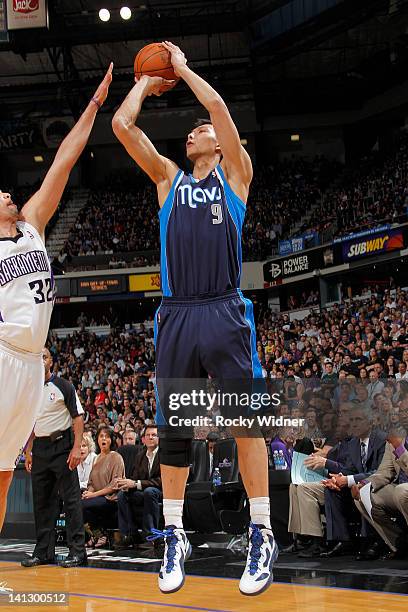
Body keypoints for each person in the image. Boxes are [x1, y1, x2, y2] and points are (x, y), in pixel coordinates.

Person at [113, 40, 277, 596]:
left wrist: (182, 70)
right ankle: (175, 535)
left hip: (225, 310)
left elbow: (222, 115)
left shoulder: (235, 178)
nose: (194, 133)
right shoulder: (168, 180)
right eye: (190, 132)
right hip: (177, 314)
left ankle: (261, 530)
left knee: (245, 423)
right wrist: (144, 81)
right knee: (175, 432)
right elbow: (122, 125)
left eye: (199, 131)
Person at [0, 64, 113, 534]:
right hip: (3, 353)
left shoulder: (32, 225)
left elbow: (64, 160)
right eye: (0, 193)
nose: (8, 193)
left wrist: (93, 105)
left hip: (31, 365)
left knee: (3, 475)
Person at [21, 348, 87, 568]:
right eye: (37, 356)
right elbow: (31, 423)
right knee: (42, 503)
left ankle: (77, 551)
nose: (41, 359)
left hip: (62, 446)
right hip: (39, 448)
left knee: (71, 501)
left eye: (45, 356)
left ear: (51, 362)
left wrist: (77, 447)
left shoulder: (64, 386)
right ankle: (43, 552)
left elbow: (78, 418)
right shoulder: (29, 390)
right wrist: (28, 450)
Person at [114, 425, 162, 550]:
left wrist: (136, 484)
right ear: (143, 439)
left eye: (154, 435)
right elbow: (135, 477)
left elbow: (162, 481)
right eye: (148, 435)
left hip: (161, 491)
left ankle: (151, 537)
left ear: (159, 438)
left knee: (150, 492)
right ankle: (130, 534)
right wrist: (126, 484)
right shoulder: (140, 456)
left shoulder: (164, 455)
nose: (150, 437)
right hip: (144, 490)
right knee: (122, 495)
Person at [82, 426, 125, 549]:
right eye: (101, 436)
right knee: (77, 505)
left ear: (111, 440)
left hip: (111, 498)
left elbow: (115, 485)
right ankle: (96, 535)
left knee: (81, 505)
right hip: (97, 497)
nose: (104, 439)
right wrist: (87, 494)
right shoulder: (96, 458)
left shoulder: (116, 457)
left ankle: (100, 535)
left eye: (106, 436)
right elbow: (91, 483)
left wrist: (93, 495)